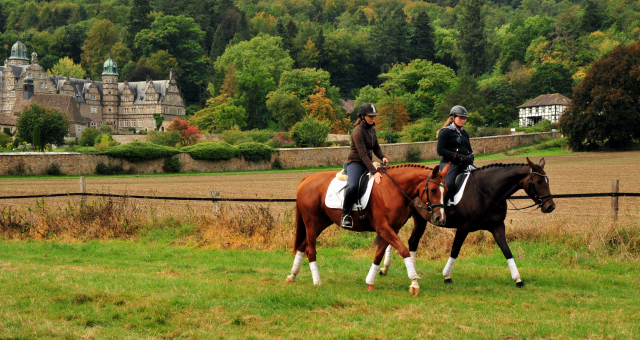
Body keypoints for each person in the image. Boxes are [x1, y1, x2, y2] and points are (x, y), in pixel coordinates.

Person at [341, 103, 389, 228]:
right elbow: (363, 155)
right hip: (356, 163)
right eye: (370, 116)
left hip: (368, 163)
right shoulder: (358, 132)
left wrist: (383, 156)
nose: (373, 118)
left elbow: (376, 147)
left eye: (374, 116)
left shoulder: (372, 129)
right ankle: (345, 215)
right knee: (354, 186)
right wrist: (374, 172)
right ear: (362, 116)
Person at [436, 105, 474, 215]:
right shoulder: (445, 132)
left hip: (464, 163)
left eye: (464, 118)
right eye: (460, 118)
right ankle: (445, 208)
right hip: (449, 163)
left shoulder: (464, 133)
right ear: (453, 117)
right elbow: (440, 150)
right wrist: (457, 156)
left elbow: (469, 149)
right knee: (449, 184)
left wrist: (470, 157)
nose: (462, 120)